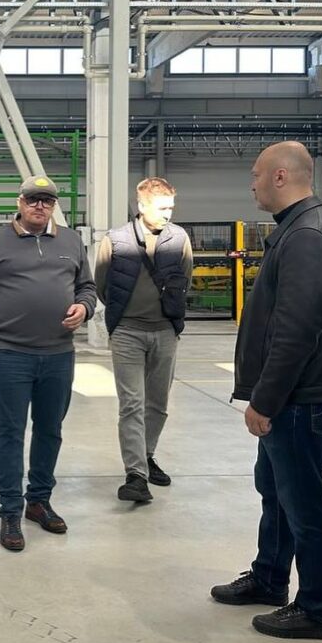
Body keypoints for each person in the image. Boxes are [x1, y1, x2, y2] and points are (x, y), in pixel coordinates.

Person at [211, 141, 322, 640]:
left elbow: (297, 331)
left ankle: (318, 610)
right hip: (294, 396)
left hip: (300, 398)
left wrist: (265, 399)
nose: (252, 185)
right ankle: (270, 577)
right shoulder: (298, 229)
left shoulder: (308, 237)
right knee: (276, 491)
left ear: (280, 176)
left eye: (256, 175)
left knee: (304, 503)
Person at [0, 175, 97, 552]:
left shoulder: (71, 241)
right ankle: (10, 510)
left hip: (59, 354)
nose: (40, 206)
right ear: (20, 202)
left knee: (50, 429)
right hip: (10, 353)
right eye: (33, 199)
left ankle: (38, 500)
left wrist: (84, 307)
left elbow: (87, 287)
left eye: (47, 200)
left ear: (54, 206)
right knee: (10, 432)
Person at [95, 177, 192, 504]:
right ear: (141, 206)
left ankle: (147, 455)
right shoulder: (116, 240)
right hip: (127, 332)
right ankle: (136, 474)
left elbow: (185, 278)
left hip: (165, 331)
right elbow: (102, 285)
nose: (168, 214)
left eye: (171, 208)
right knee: (132, 403)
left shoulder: (179, 238)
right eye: (162, 208)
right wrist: (126, 314)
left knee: (158, 403)